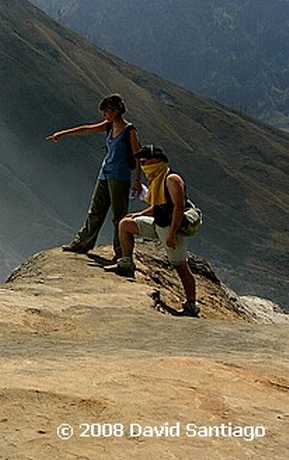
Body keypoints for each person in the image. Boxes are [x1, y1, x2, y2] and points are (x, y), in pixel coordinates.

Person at [46, 94, 141, 257]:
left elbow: (138, 156)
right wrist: (63, 133)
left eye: (106, 111)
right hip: (104, 174)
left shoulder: (129, 131)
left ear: (115, 111)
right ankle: (82, 244)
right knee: (95, 211)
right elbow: (87, 129)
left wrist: (138, 180)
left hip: (120, 177)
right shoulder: (109, 126)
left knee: (119, 217)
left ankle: (122, 254)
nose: (104, 115)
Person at [113, 144, 200, 317]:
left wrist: (172, 233)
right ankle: (127, 263)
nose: (143, 164)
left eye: (146, 161)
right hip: (158, 224)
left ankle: (191, 303)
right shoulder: (157, 178)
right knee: (125, 225)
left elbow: (178, 207)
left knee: (181, 267)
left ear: (157, 160)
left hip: (169, 227)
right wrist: (138, 214)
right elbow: (158, 205)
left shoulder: (171, 179)